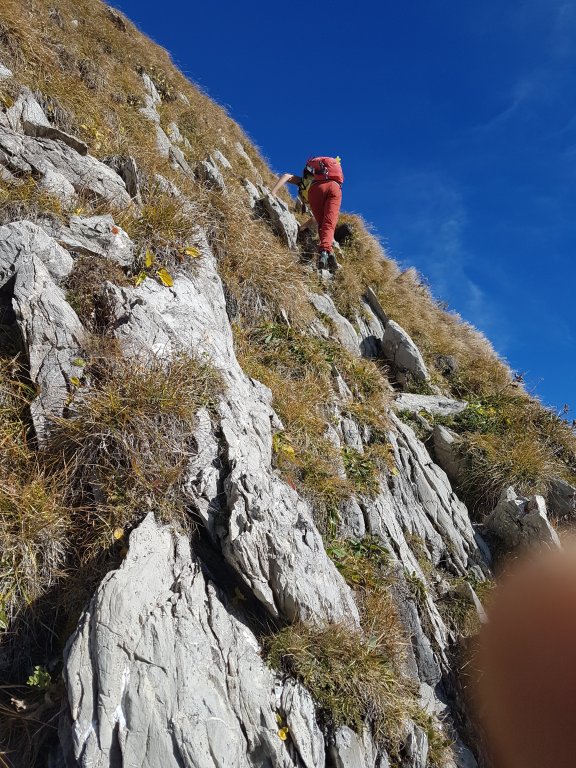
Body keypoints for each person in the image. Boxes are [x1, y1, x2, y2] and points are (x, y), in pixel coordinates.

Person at [271, 156, 344, 272]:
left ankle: (325, 252)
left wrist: (273, 192)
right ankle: (328, 251)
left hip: (317, 189)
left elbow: (287, 176)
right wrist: (303, 226)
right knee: (329, 223)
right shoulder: (314, 179)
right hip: (335, 186)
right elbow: (315, 219)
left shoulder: (305, 183)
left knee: (322, 224)